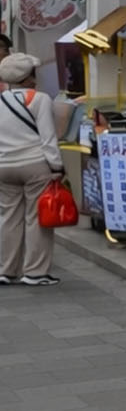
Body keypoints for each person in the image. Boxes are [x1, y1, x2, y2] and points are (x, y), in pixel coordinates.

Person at [0, 53, 65, 287]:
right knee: (37, 218)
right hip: (35, 164)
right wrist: (56, 167)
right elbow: (48, 138)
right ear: (29, 77)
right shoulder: (39, 99)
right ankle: (35, 272)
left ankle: (6, 270)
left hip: (4, 166)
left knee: (8, 218)